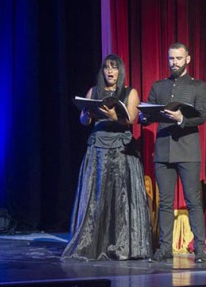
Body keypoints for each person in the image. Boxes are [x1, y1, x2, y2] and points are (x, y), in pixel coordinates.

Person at [63, 54, 152, 261]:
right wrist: (86, 113)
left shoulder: (130, 92)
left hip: (122, 149)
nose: (110, 71)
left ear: (120, 71)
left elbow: (131, 119)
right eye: (106, 67)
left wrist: (114, 116)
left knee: (121, 199)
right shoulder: (94, 91)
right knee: (96, 197)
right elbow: (85, 121)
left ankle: (122, 245)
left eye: (114, 67)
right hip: (98, 149)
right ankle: (92, 244)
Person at [140, 42, 206, 263]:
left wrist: (181, 119)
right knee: (166, 203)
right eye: (171, 59)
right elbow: (148, 110)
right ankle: (165, 247)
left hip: (188, 150)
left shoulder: (198, 86)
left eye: (178, 58)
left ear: (187, 59)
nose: (174, 63)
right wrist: (144, 117)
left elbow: (202, 116)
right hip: (163, 151)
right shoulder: (159, 86)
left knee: (193, 201)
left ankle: (200, 249)